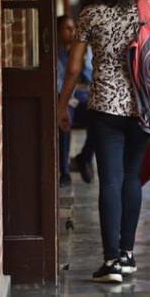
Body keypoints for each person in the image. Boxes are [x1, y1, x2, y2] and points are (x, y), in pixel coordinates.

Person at [57, 0, 150, 284]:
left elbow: (74, 67)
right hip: (142, 106)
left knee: (110, 181)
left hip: (104, 108)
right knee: (132, 178)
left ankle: (111, 261)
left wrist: (62, 104)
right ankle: (127, 254)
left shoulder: (90, 14)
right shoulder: (145, 9)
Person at [56, 15, 95, 187]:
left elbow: (90, 78)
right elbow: (59, 85)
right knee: (65, 121)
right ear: (58, 32)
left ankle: (84, 158)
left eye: (74, 28)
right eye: (67, 28)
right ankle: (64, 172)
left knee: (99, 117)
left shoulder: (84, 51)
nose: (72, 32)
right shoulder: (56, 56)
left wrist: (82, 59)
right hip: (66, 100)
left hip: (84, 99)